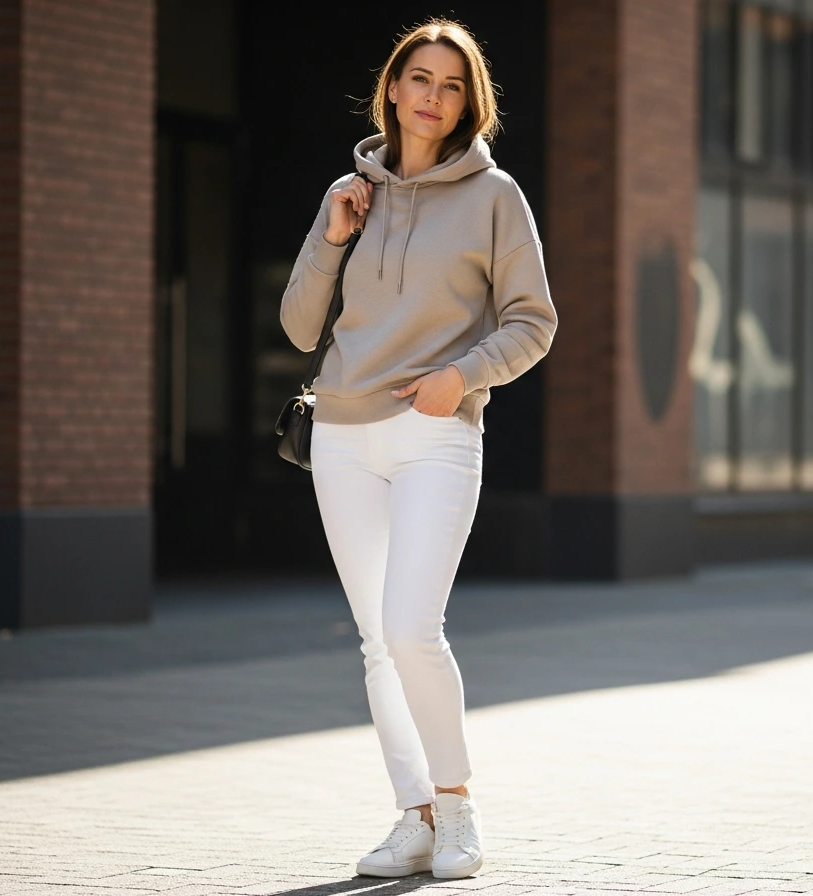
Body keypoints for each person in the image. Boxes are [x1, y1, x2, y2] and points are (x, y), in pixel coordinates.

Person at [280, 18, 557, 880]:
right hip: (342, 435)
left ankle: (460, 805)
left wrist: (462, 377)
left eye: (451, 85)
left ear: (468, 102)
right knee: (374, 640)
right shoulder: (349, 194)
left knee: (412, 629)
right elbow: (297, 327)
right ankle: (414, 816)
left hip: (438, 431)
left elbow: (533, 322)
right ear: (392, 90)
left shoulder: (495, 196)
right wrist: (331, 237)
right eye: (419, 80)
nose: (433, 98)